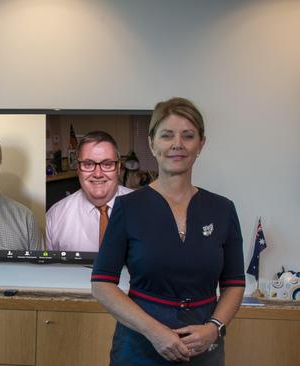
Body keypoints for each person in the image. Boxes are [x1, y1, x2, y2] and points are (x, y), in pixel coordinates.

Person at [91, 97, 245, 365]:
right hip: (139, 348)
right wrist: (156, 332)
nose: (177, 144)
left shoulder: (222, 209)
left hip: (203, 349)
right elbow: (102, 284)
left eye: (188, 136)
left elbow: (234, 283)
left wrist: (214, 328)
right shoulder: (128, 208)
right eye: (167, 135)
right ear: (152, 143)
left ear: (201, 144)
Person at [46, 131, 132, 252]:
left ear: (118, 168)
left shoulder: (145, 209)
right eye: (88, 164)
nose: (98, 174)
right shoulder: (55, 217)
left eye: (107, 164)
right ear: (78, 169)